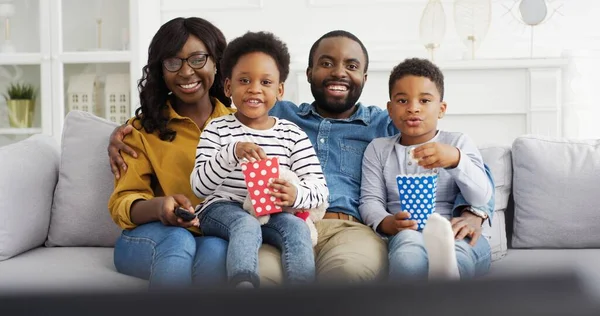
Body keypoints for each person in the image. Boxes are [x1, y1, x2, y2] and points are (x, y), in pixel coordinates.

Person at [109, 29, 495, 284]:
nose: (338, 73)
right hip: (277, 225)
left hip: (349, 229)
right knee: (262, 278)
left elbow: (457, 158)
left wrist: (474, 211)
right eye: (326, 63)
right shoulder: (279, 115)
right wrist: (125, 127)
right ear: (306, 74)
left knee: (344, 277)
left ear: (364, 77)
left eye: (352, 66)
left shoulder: (387, 122)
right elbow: (231, 109)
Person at [107, 17, 281, 289]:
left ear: (218, 63)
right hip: (149, 237)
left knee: (215, 251)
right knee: (179, 239)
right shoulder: (140, 131)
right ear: (161, 71)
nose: (186, 72)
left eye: (198, 59)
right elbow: (122, 203)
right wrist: (160, 208)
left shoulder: (246, 122)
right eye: (173, 63)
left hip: (210, 233)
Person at [191, 31, 328, 288]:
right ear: (228, 86)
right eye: (244, 80)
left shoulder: (292, 134)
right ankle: (244, 286)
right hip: (222, 209)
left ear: (280, 90)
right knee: (245, 224)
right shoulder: (217, 129)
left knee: (297, 229)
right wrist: (231, 152)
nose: (254, 88)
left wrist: (294, 194)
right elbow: (199, 187)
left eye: (265, 82)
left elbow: (319, 189)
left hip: (273, 213)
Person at [359, 58, 493, 281]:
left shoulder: (457, 143)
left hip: (455, 230)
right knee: (406, 252)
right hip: (406, 231)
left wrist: (455, 160)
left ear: (441, 109)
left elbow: (481, 195)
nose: (413, 108)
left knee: (460, 253)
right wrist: (386, 222)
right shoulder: (379, 149)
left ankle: (447, 279)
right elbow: (370, 200)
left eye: (424, 100)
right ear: (390, 110)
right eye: (402, 100)